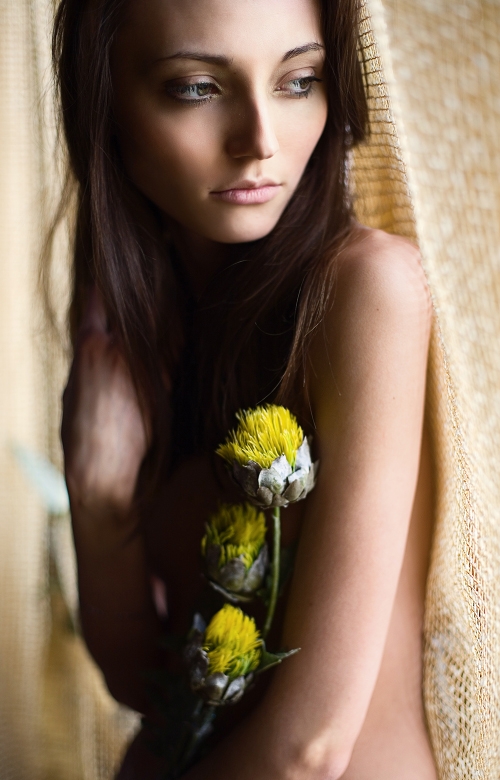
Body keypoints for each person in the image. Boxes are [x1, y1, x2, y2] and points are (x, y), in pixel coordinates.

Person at [52, 0, 437, 777]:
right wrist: (100, 509)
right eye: (197, 88)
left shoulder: (367, 293)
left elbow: (309, 748)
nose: (260, 140)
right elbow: (152, 687)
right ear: (106, 103)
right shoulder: (144, 330)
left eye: (298, 81)